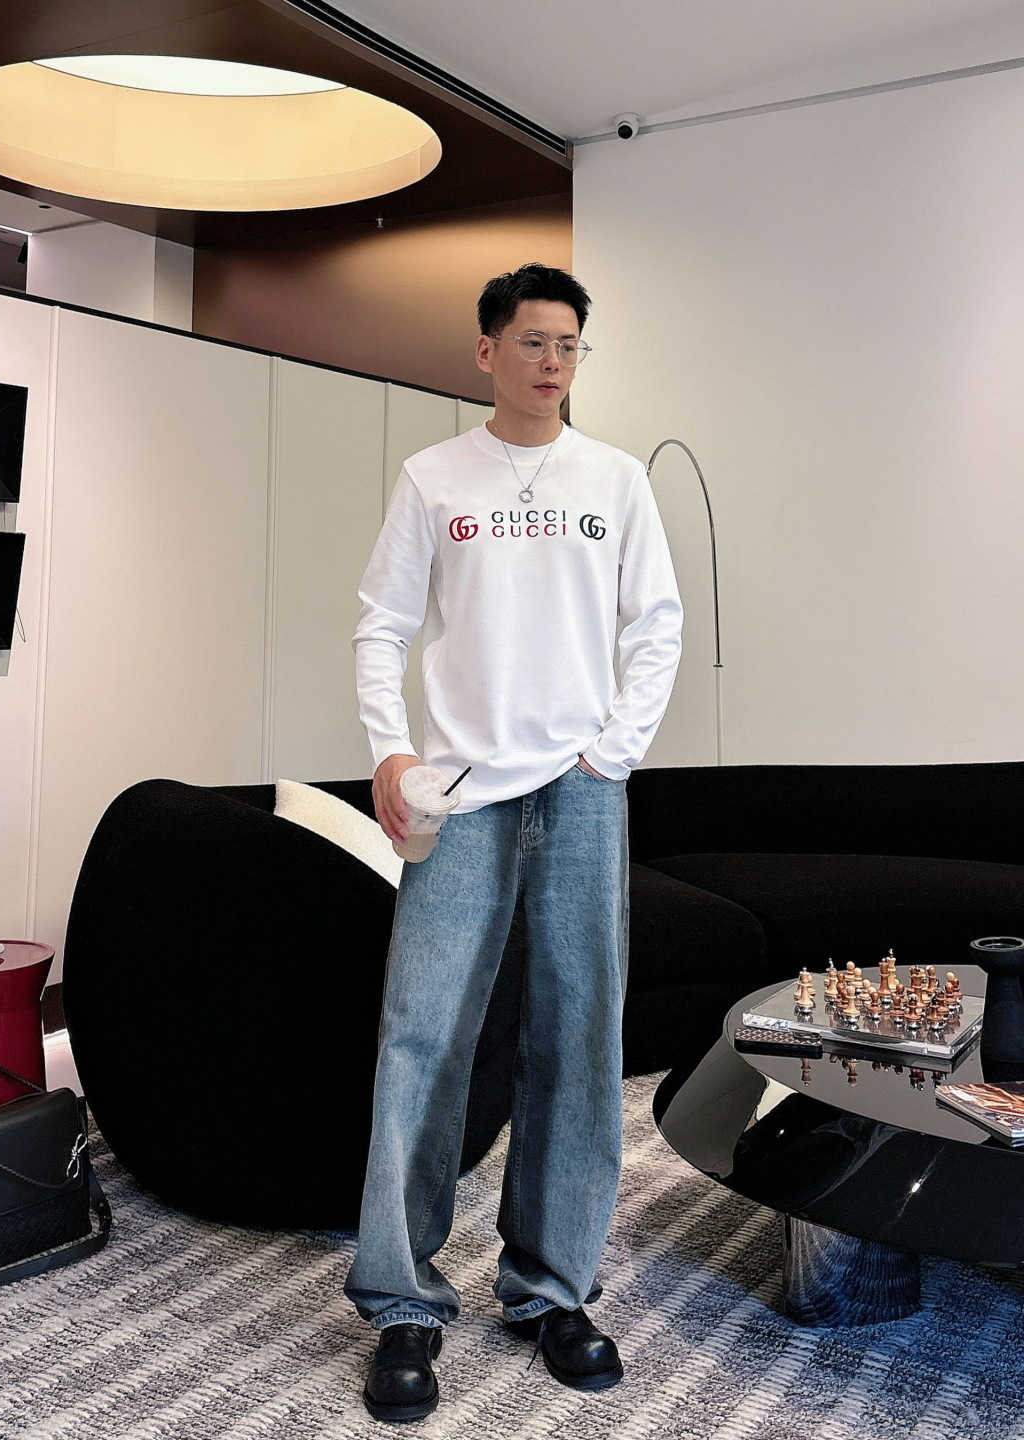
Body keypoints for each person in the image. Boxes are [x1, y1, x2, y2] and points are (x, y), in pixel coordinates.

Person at [344, 261, 684, 1424]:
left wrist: (613, 750)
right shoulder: (434, 478)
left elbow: (657, 624)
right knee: (423, 1037)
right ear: (487, 350)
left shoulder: (614, 479)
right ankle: (402, 1299)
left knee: (580, 1036)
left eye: (569, 345)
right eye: (533, 341)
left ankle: (552, 1290)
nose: (552, 362)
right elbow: (382, 624)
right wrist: (391, 753)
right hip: (460, 790)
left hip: (581, 790)